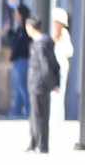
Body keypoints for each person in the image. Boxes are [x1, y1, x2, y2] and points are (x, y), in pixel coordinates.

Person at [26, 10, 60, 154]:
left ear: (31, 27)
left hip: (38, 84)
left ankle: (39, 144)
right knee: (40, 115)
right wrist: (55, 82)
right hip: (41, 84)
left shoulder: (40, 45)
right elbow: (55, 64)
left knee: (38, 115)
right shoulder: (46, 42)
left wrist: (52, 84)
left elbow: (45, 65)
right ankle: (38, 143)